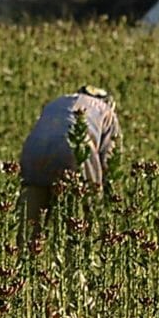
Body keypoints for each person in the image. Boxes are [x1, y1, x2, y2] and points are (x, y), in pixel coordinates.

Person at [17, 87, 121, 229]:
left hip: (34, 149)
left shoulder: (58, 101)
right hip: (74, 150)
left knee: (30, 221)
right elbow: (110, 158)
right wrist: (108, 195)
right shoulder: (106, 111)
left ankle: (26, 245)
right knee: (87, 214)